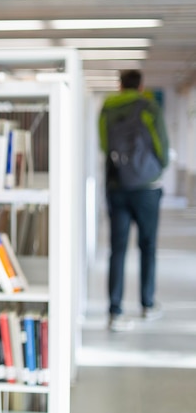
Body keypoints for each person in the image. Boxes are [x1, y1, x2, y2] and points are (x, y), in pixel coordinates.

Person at [99, 69, 170, 332]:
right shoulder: (149, 106)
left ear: (119, 85)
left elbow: (105, 145)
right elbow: (161, 144)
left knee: (117, 249)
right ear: (141, 85)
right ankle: (147, 304)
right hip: (147, 187)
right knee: (148, 246)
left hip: (117, 185)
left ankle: (115, 311)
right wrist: (156, 168)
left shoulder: (107, 108)